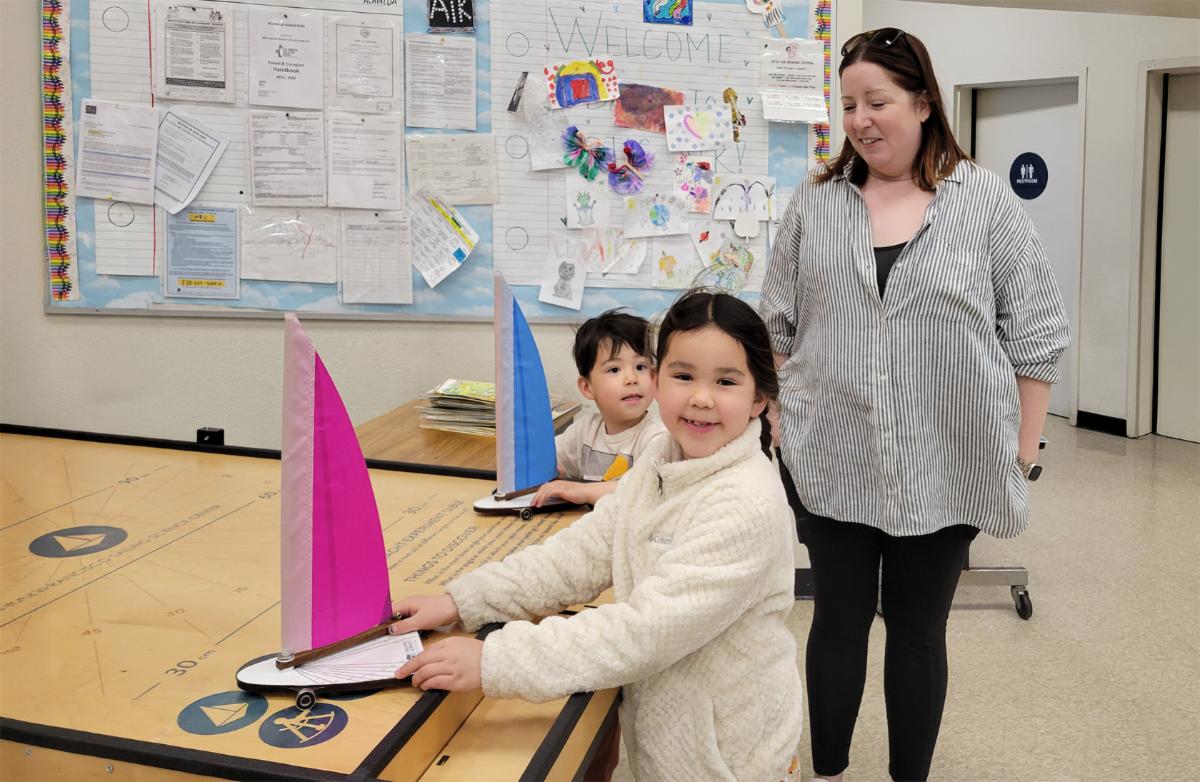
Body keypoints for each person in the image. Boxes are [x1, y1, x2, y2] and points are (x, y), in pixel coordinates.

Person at [759, 27, 1070, 782]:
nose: (861, 120)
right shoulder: (817, 203)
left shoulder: (983, 200)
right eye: (850, 105)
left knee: (918, 631)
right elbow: (773, 324)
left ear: (923, 102)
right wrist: (779, 419)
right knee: (835, 623)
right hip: (830, 457)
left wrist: (1023, 451)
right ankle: (828, 771)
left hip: (950, 460)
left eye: (879, 101)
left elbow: (1036, 332)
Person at [392, 290, 804, 782]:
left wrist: (496, 659)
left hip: (731, 757)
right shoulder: (662, 460)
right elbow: (582, 554)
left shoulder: (745, 503)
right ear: (657, 379)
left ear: (759, 397)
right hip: (673, 733)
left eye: (726, 381)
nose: (700, 397)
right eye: (683, 375)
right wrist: (464, 600)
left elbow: (646, 631)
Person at [530, 309, 668, 508]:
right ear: (587, 387)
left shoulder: (657, 437)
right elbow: (541, 456)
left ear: (654, 377)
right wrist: (547, 470)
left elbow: (645, 488)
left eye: (640, 367)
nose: (631, 379)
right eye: (614, 369)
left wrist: (584, 491)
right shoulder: (584, 431)